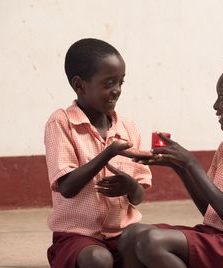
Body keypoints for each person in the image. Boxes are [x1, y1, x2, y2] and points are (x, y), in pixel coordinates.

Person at [118, 56, 223, 268]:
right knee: (131, 235)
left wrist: (191, 163)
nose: (216, 105)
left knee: (151, 242)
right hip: (219, 237)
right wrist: (178, 166)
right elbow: (211, 209)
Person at [44, 38, 152, 268]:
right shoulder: (61, 122)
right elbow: (67, 187)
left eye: (121, 83)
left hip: (122, 234)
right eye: (109, 83)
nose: (117, 91)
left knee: (151, 243)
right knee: (98, 259)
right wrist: (107, 153)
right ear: (79, 85)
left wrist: (131, 187)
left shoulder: (127, 128)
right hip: (77, 237)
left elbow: (140, 196)